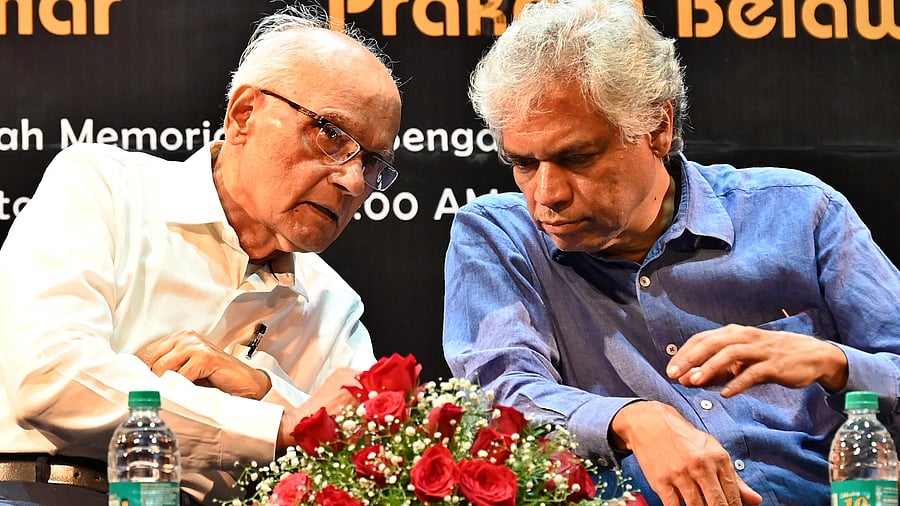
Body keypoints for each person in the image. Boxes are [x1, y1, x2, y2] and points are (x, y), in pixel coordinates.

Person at [442, 0, 900, 504]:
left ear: (657, 129)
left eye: (578, 157)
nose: (547, 194)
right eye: (523, 163)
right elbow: (500, 394)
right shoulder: (501, 237)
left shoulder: (801, 212)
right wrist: (630, 418)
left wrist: (835, 363)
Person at [0, 4, 401, 505]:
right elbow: (51, 377)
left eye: (373, 162)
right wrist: (278, 425)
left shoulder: (334, 307)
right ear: (244, 115)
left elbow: (365, 463)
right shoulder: (104, 188)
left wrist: (263, 387)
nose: (353, 181)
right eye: (331, 135)